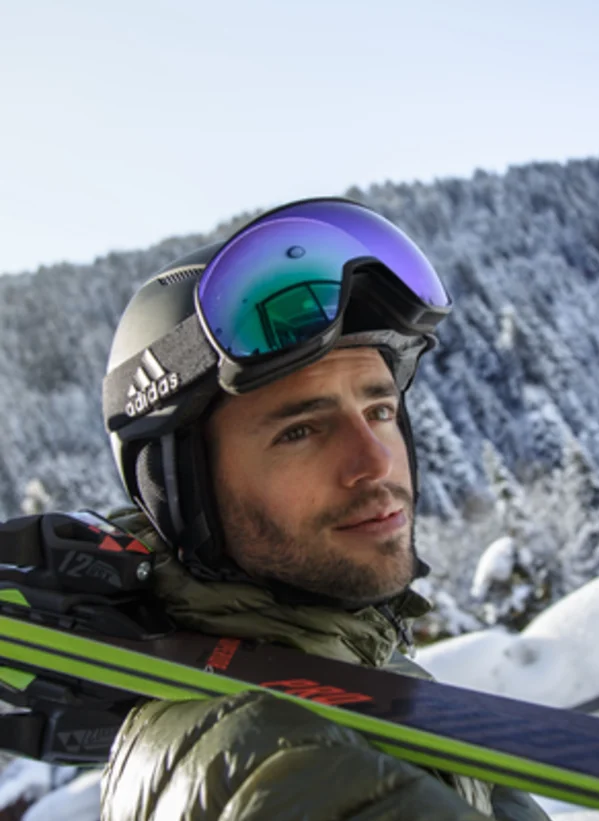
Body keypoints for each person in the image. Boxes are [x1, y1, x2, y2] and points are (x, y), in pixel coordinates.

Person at [100, 198, 549, 820]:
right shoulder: (278, 766)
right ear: (184, 494)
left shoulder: (353, 671)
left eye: (380, 411)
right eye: (300, 432)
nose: (374, 464)